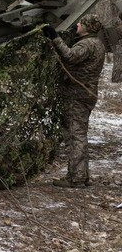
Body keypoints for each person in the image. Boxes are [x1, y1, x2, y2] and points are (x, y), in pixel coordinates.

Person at [43, 14, 106, 188]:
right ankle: (81, 175)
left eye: (80, 23)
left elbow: (70, 56)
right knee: (79, 134)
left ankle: (76, 177)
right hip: (87, 93)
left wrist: (55, 37)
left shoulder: (86, 44)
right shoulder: (97, 43)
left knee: (75, 135)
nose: (77, 24)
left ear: (87, 27)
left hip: (77, 94)